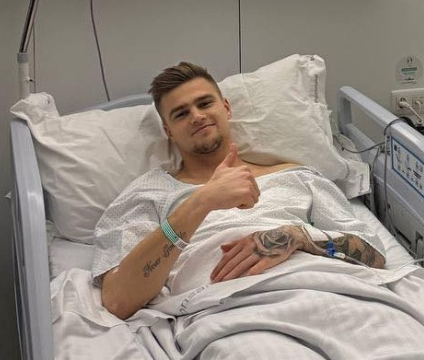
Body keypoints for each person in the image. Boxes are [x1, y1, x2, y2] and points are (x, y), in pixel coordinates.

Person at [92, 62, 385, 320]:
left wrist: (298, 236)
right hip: (230, 311)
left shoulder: (298, 176)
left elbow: (374, 256)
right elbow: (118, 300)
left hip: (334, 293)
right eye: (181, 114)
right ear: (168, 131)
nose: (196, 116)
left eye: (204, 103)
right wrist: (200, 202)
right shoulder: (147, 194)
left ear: (226, 108)